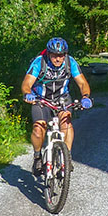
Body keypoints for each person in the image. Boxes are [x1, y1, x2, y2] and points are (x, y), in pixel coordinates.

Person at [21, 37, 92, 174]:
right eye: (54, 55)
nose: (58, 59)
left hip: (62, 98)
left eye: (61, 55)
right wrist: (27, 93)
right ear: (48, 54)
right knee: (38, 128)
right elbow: (26, 83)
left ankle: (67, 157)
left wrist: (85, 97)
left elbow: (82, 83)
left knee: (66, 122)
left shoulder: (70, 63)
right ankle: (37, 157)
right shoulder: (39, 63)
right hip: (41, 99)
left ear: (65, 54)